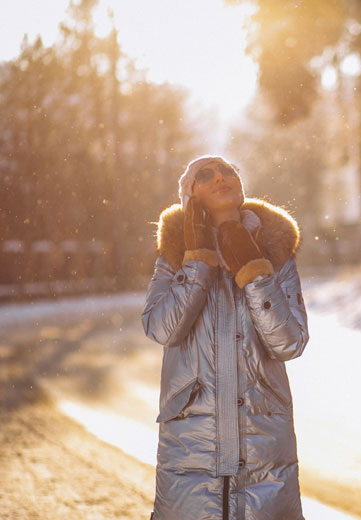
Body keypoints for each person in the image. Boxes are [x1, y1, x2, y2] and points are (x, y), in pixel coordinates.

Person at [141, 155, 309, 520]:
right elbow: (161, 328)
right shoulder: (174, 257)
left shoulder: (274, 253)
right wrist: (198, 261)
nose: (220, 177)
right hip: (191, 449)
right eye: (205, 175)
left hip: (264, 442)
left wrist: (254, 270)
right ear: (191, 195)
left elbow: (290, 342)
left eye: (228, 171)